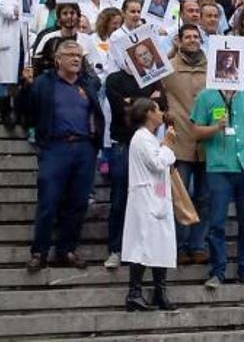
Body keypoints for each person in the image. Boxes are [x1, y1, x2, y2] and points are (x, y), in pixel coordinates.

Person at [20, 40, 105, 271]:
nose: (76, 58)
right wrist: (26, 87)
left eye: (78, 54)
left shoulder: (87, 84)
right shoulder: (43, 84)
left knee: (78, 202)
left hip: (84, 148)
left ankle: (66, 249)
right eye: (70, 55)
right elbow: (26, 113)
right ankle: (39, 251)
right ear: (58, 59)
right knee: (48, 201)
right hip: (55, 148)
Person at [191, 79, 244, 289]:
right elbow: (195, 131)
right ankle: (217, 271)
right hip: (219, 167)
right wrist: (216, 127)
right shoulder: (206, 96)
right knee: (216, 222)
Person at [103, 53, 167, 269]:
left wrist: (135, 101)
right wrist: (147, 100)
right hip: (123, 145)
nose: (140, 57)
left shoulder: (154, 78)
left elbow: (160, 107)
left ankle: (148, 247)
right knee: (121, 196)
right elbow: (126, 111)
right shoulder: (114, 79)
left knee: (156, 195)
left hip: (151, 145)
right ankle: (115, 248)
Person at [121, 98, 177, 311]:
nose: (161, 112)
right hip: (145, 198)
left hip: (157, 196)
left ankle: (159, 291)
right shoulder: (141, 138)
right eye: (158, 109)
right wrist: (168, 147)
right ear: (148, 113)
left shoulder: (152, 139)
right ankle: (134, 292)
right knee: (142, 244)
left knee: (160, 243)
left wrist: (165, 147)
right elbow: (156, 163)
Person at [162, 25, 210, 265]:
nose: (192, 40)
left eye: (196, 37)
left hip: (208, 142)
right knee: (180, 196)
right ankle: (178, 245)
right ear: (179, 40)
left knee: (204, 197)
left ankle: (198, 244)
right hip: (180, 142)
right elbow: (153, 95)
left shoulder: (213, 69)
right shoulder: (167, 68)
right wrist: (164, 114)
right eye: (188, 37)